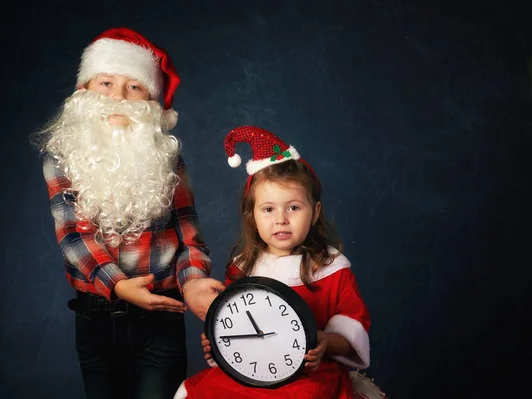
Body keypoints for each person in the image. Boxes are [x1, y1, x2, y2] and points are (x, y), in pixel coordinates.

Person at [33, 27, 225, 399]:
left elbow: (188, 232)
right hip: (95, 318)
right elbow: (73, 235)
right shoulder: (60, 159)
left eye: (134, 86)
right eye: (105, 82)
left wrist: (195, 281)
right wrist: (119, 286)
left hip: (160, 319)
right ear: (83, 92)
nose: (118, 97)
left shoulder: (167, 159)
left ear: (151, 101)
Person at [174, 126, 371, 399]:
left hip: (309, 375)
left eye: (293, 207)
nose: (281, 219)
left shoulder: (331, 268)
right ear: (252, 215)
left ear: (315, 213)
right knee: (203, 391)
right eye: (268, 209)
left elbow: (352, 333)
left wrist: (327, 343)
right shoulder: (242, 268)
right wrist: (219, 341)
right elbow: (236, 329)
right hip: (254, 373)